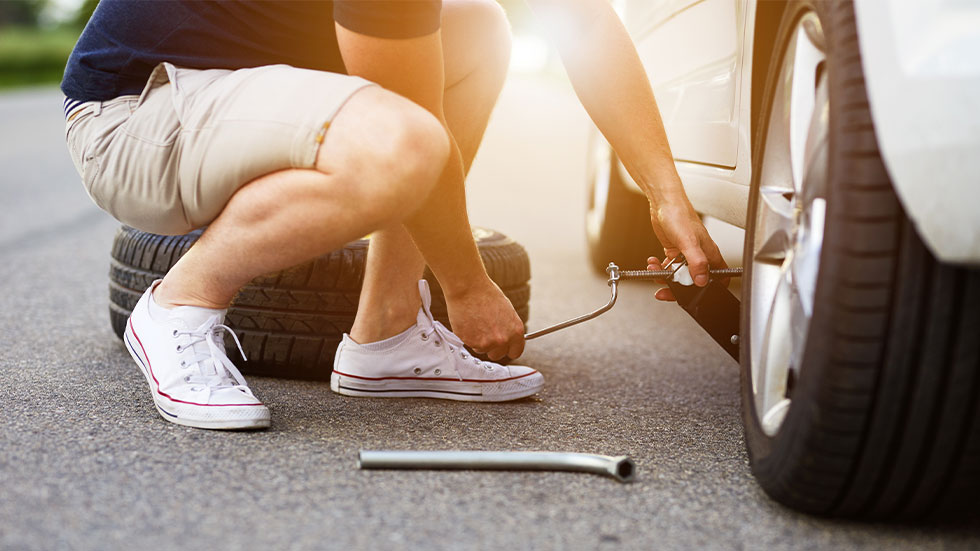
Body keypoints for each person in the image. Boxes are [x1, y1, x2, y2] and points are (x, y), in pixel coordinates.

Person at [62, 0, 723, 431]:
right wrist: (466, 287)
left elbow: (583, 24)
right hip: (137, 112)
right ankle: (178, 303)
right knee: (404, 146)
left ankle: (387, 330)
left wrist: (664, 193)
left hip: (245, 86)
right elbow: (412, 125)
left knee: (482, 32)